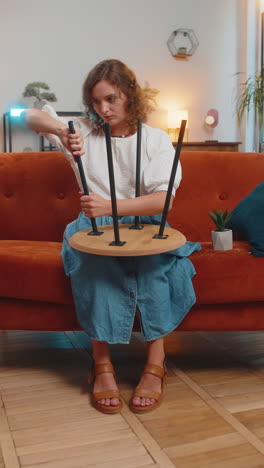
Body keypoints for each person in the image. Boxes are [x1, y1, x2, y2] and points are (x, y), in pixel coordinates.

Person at [24, 59, 200, 415]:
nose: (103, 109)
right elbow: (28, 116)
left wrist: (111, 206)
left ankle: (156, 362)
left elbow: (162, 199)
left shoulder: (154, 140)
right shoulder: (82, 135)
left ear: (130, 95)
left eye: (112, 99)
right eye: (96, 102)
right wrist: (60, 129)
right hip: (92, 227)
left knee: (154, 266)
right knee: (93, 265)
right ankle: (101, 363)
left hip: (145, 224)